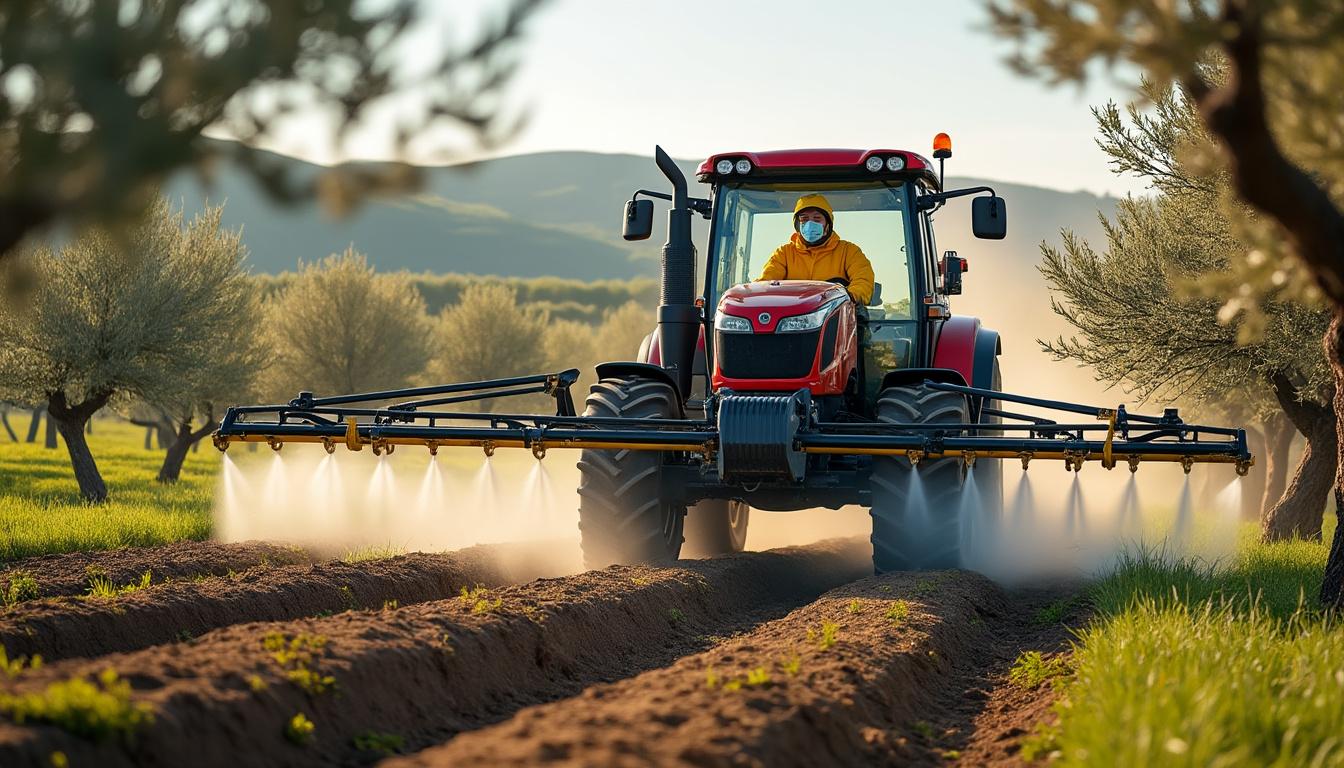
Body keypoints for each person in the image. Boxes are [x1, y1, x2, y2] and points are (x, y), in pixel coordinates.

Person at [758, 194, 875, 305]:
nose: (810, 224)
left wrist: (847, 298)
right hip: (790, 322)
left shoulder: (848, 252)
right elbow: (764, 285)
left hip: (836, 321)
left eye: (817, 219)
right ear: (797, 225)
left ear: (828, 225)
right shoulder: (783, 254)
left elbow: (863, 282)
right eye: (804, 219)